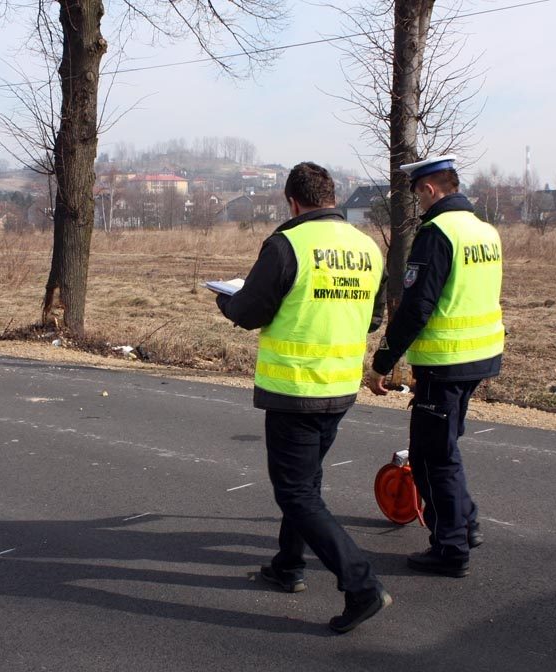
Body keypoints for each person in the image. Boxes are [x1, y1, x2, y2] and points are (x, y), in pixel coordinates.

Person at [216, 162, 391, 633]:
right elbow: (375, 319)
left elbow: (249, 312)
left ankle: (361, 584)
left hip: (295, 389)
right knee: (305, 486)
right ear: (332, 197)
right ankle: (287, 566)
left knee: (295, 492)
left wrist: (226, 300)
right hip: (340, 387)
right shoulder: (367, 248)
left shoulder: (287, 244)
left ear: (292, 201)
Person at [365, 155, 504, 578]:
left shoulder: (437, 232)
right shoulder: (485, 231)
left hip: (445, 361)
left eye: (416, 196)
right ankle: (467, 524)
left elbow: (416, 307)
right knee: (444, 449)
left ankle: (450, 548)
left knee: (431, 459)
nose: (417, 205)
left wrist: (382, 362)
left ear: (428, 189)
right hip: (480, 356)